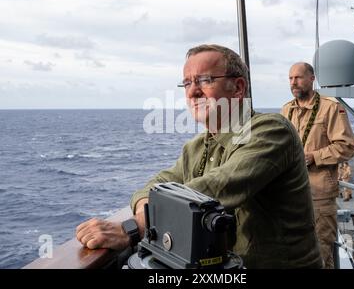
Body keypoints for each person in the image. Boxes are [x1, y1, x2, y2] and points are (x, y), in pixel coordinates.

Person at [76, 44, 322, 269]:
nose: (192, 91)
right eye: (186, 83)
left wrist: (134, 228)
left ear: (237, 88)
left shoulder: (271, 130)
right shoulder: (195, 147)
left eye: (205, 80)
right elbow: (153, 186)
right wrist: (145, 207)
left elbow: (217, 187)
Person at [281, 62, 354, 269]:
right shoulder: (286, 110)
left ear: (312, 79)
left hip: (319, 195)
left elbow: (348, 146)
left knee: (321, 254)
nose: (293, 83)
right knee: (297, 253)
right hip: (292, 194)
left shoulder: (330, 108)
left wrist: (315, 157)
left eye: (298, 77)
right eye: (290, 78)